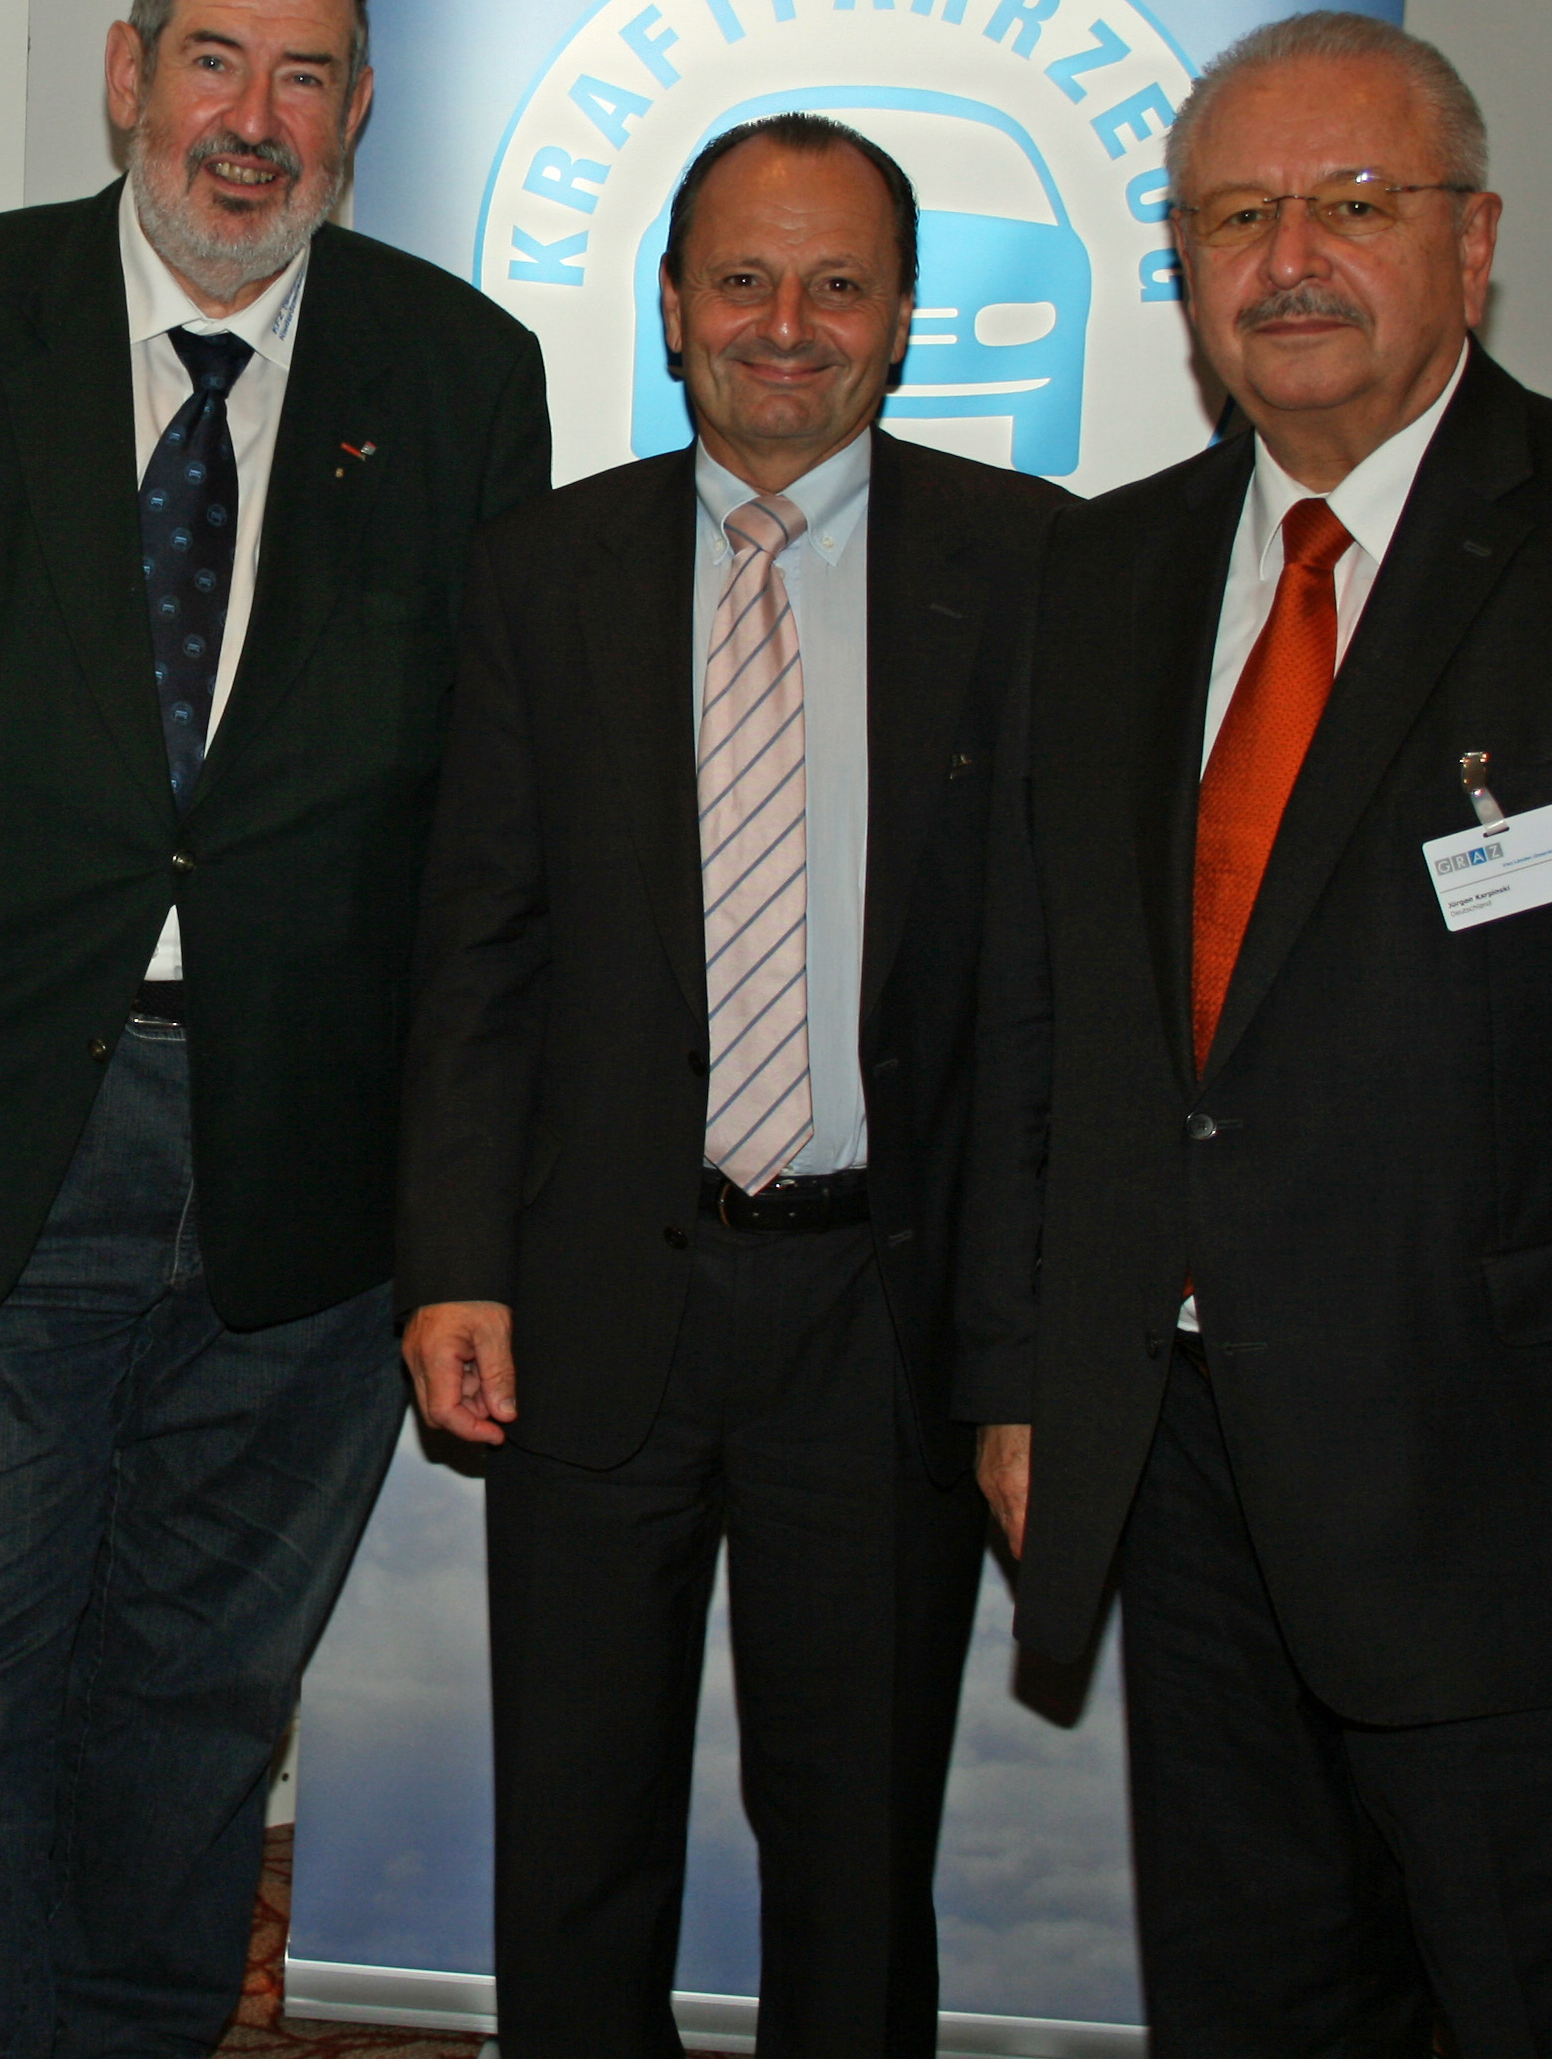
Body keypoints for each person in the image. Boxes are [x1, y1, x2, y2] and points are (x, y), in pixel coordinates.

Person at [957, 11, 1552, 2055]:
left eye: (1356, 204)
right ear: (1182, 266)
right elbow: (1053, 1024)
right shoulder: (1108, 572)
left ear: (1473, 245)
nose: (1291, 258)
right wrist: (1032, 1376)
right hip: (1196, 1495)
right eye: (1237, 216)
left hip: (1551, 1526)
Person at [0, 0, 548, 2057]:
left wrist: (469, 1193)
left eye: (303, 78)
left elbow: (495, 825)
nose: (251, 123)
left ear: (358, 114)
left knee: (202, 1692)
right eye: (213, 62)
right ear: (127, 74)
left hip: (311, 1166)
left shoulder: (462, 375)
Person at [397, 116, 1060, 2059]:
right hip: (596, 1296)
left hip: (884, 1314)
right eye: (746, 281)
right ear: (673, 307)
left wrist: (1031, 1346)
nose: (788, 324)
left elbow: (1060, 1004)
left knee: (855, 1850)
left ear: (905, 319)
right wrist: (454, 1261)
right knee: (575, 1833)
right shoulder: (545, 571)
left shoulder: (1038, 573)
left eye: (837, 284)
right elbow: (479, 954)